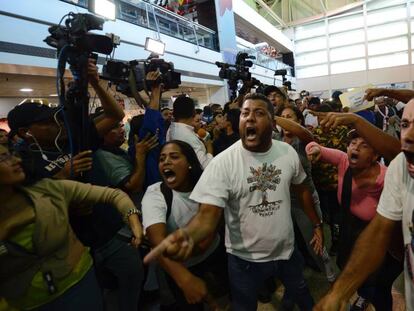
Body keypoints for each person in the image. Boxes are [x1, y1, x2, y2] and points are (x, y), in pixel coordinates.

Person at [145, 93, 323, 311]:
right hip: (243, 261)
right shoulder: (221, 164)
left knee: (303, 295)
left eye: (259, 113)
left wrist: (316, 224)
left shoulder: (287, 153)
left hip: (287, 250)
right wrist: (187, 235)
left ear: (273, 123)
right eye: (245, 113)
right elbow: (207, 216)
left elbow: (302, 190)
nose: (249, 118)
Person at [0, 145, 142, 311]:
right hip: (24, 302)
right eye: (4, 159)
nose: (16, 161)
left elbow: (113, 195)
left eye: (11, 154)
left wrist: (133, 220)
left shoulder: (45, 189)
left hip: (78, 283)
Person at [309, 104, 410, 310]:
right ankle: (364, 295)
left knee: (380, 287)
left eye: (363, 145)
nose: (354, 147)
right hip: (352, 235)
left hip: (386, 245)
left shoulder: (387, 176)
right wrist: (314, 149)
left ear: (375, 156)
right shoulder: (344, 162)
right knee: (360, 278)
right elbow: (314, 146)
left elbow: (384, 228)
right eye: (352, 142)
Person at [142, 140, 223, 310]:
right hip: (183, 268)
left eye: (174, 156)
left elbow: (209, 230)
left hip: (216, 258)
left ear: (190, 164)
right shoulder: (156, 195)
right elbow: (157, 240)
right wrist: (184, 279)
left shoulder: (207, 186)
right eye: (162, 158)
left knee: (222, 301)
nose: (166, 162)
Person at [167, 96, 213, 168]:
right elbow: (206, 166)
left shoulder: (171, 128)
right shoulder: (188, 136)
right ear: (193, 112)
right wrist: (209, 146)